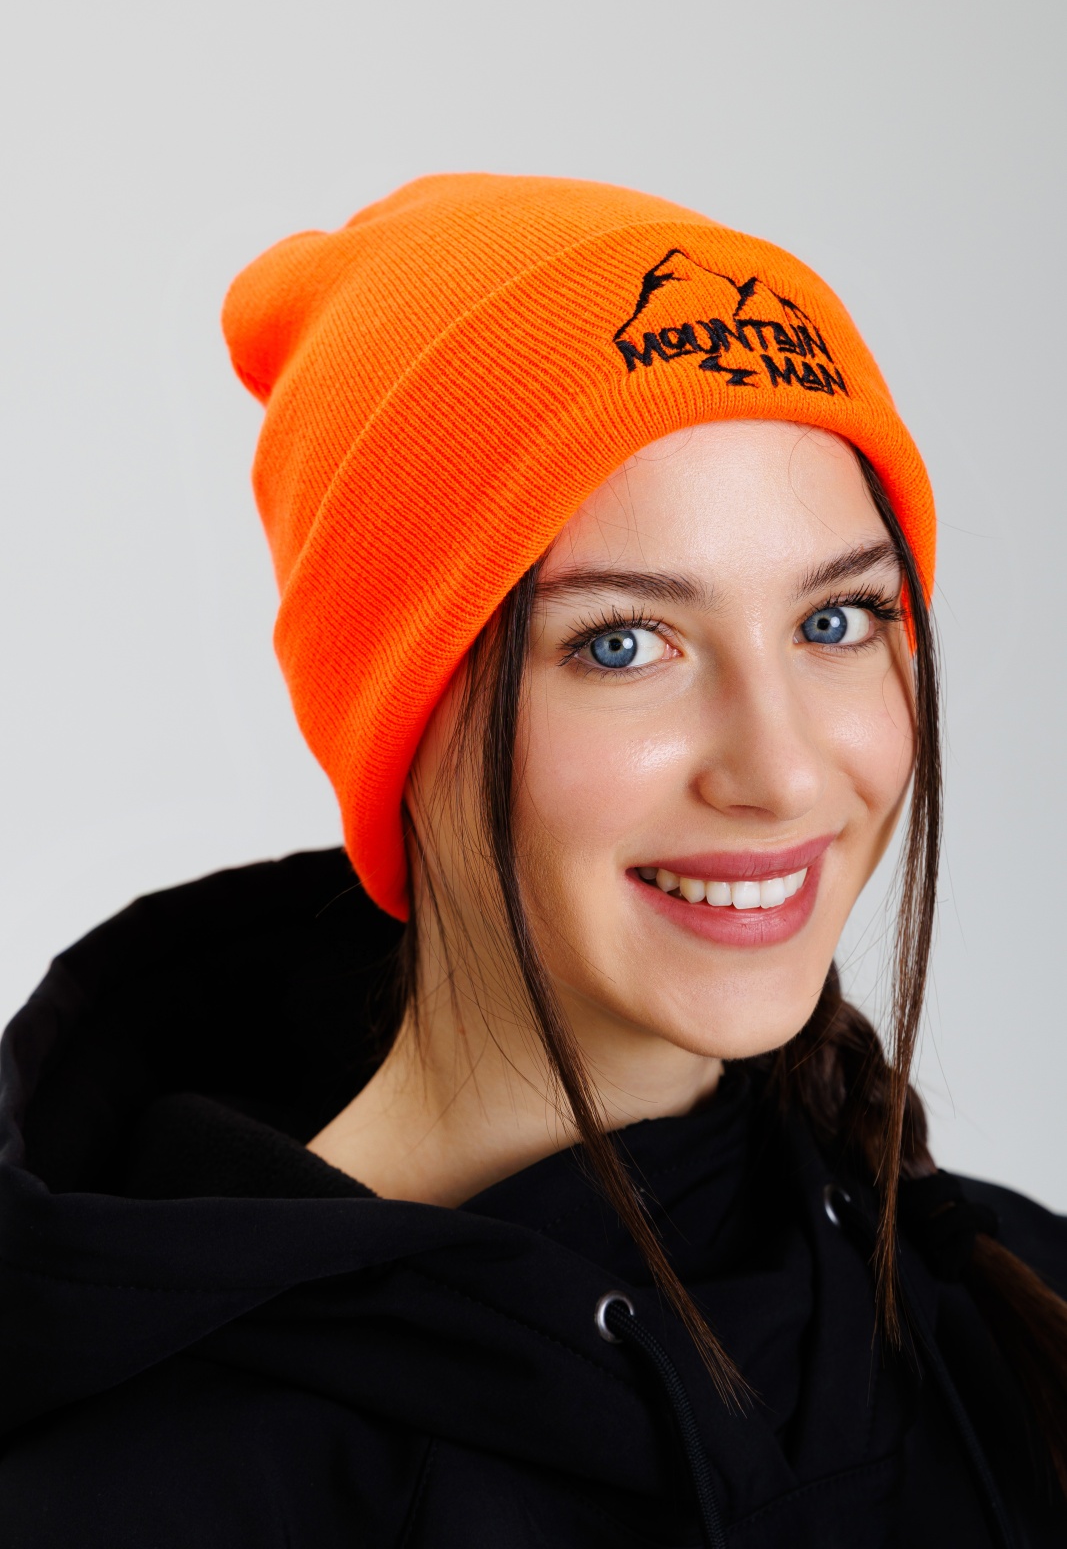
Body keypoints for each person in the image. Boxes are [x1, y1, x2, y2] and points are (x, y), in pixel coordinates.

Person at [1, 174, 1065, 1549]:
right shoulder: (136, 1491)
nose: (786, 772)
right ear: (396, 717)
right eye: (623, 643)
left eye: (837, 620)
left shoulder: (1015, 1305)